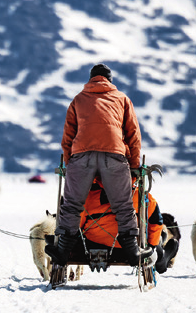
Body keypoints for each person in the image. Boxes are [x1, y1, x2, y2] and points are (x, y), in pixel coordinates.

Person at [45, 63, 153, 267]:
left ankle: (62, 252)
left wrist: (71, 165)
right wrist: (133, 167)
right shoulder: (122, 99)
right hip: (114, 154)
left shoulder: (78, 99)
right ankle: (132, 252)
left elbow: (67, 137)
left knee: (72, 206)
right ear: (110, 80)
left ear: (91, 79)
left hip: (81, 155)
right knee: (123, 206)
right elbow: (133, 136)